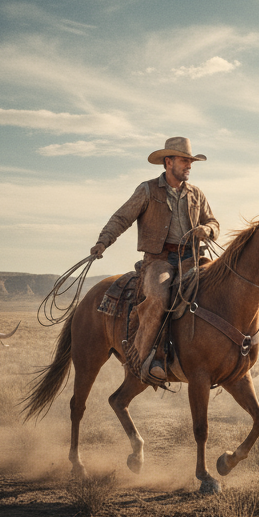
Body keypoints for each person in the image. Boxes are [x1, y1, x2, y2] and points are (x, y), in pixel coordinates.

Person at [90, 137, 220, 386]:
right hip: (159, 260)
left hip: (191, 258)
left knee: (220, 287)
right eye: (184, 161)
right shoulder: (148, 190)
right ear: (168, 162)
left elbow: (213, 222)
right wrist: (103, 241)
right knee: (159, 296)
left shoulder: (196, 194)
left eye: (190, 162)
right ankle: (147, 357)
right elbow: (122, 218)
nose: (189, 166)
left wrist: (207, 230)